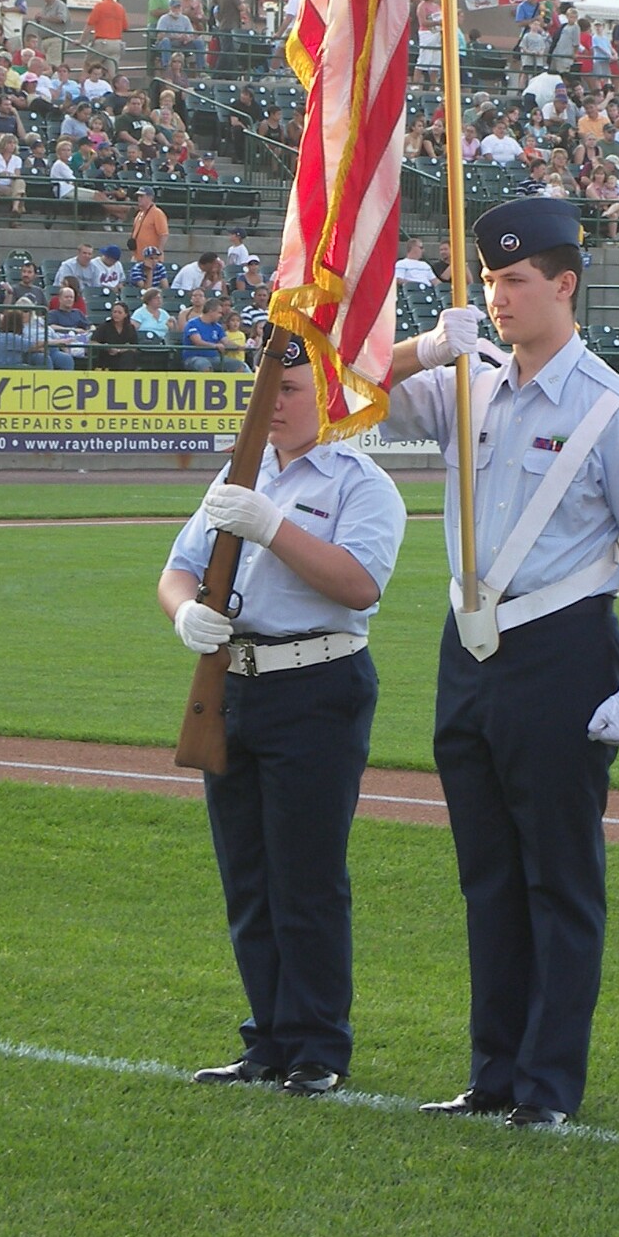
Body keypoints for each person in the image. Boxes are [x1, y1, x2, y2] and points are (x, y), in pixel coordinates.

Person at [380, 198, 619, 1128]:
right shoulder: (468, 380)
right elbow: (339, 379)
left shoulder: (610, 407)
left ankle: (547, 1083)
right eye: (491, 280)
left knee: (558, 874)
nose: (499, 298)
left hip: (561, 648)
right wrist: (427, 348)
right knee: (487, 875)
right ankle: (494, 1071)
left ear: (564, 284)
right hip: (468, 650)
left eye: (515, 281)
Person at [158, 336, 407, 1095]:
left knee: (306, 873)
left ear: (328, 394)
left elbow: (358, 584)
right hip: (233, 681)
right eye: (264, 388)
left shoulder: (364, 484)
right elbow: (179, 569)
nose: (271, 402)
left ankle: (318, 1045)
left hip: (317, 683)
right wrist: (184, 615)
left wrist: (270, 526)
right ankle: (266, 1037)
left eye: (288, 388)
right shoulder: (239, 473)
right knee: (249, 872)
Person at [91, 300, 139, 369]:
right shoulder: (105, 326)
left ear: (125, 314)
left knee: (129, 356)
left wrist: (120, 350)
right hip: (107, 356)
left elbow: (134, 347)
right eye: (114, 312)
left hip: (125, 357)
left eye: (119, 312)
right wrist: (106, 347)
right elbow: (93, 342)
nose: (116, 314)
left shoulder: (130, 328)